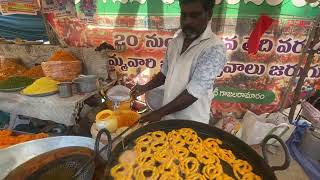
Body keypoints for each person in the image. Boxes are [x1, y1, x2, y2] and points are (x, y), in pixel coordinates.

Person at [131, 0, 227, 124]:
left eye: (194, 15)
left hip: (191, 122)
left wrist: (159, 113)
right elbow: (165, 73)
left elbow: (194, 92)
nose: (187, 21)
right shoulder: (175, 42)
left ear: (208, 14)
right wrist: (144, 87)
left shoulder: (214, 48)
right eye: (184, 15)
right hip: (167, 116)